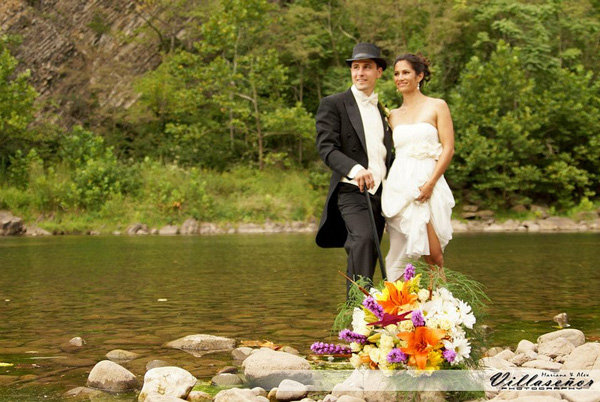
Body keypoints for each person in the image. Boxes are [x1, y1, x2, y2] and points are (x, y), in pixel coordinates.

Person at [315, 43, 394, 293]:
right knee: (363, 240)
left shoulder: (383, 111)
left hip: (382, 194)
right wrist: (356, 168)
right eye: (356, 67)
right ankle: (358, 313)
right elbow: (326, 148)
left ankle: (360, 319)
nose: (360, 72)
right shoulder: (334, 104)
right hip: (351, 189)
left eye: (367, 67)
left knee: (369, 251)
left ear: (379, 72)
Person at [381, 53, 455, 281]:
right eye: (396, 73)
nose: (400, 77)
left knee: (434, 256)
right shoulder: (391, 116)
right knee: (399, 252)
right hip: (399, 186)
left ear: (419, 76)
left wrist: (431, 184)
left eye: (406, 72)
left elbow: (448, 148)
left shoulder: (437, 106)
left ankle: (442, 310)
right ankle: (397, 308)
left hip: (427, 181)